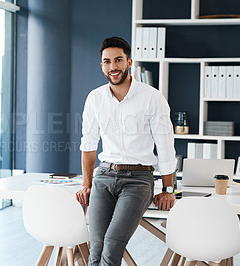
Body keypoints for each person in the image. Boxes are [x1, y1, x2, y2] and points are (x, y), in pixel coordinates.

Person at [76, 36, 177, 266]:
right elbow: (88, 144)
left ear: (129, 62)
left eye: (118, 60)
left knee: (112, 246)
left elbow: (165, 146)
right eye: (107, 61)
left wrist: (168, 188)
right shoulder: (95, 98)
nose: (113, 67)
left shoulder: (152, 97)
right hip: (104, 177)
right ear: (101, 65)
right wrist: (86, 183)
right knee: (96, 249)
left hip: (138, 180)